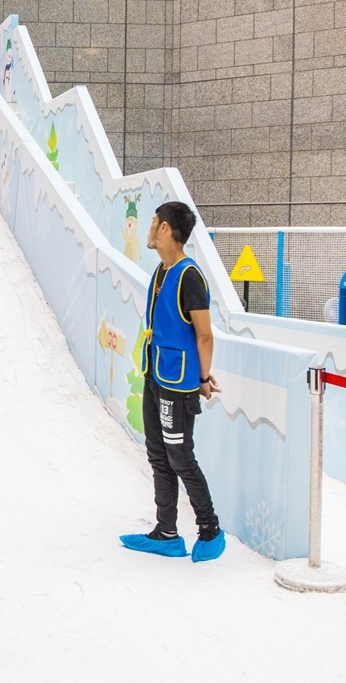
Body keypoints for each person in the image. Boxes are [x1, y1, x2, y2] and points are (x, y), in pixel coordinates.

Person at [120, 202, 226, 563]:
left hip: (178, 383)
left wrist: (201, 378)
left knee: (180, 456)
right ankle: (166, 532)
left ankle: (210, 531)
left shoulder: (188, 276)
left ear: (165, 229)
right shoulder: (162, 271)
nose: (149, 229)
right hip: (156, 375)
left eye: (153, 223)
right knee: (158, 453)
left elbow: (205, 335)